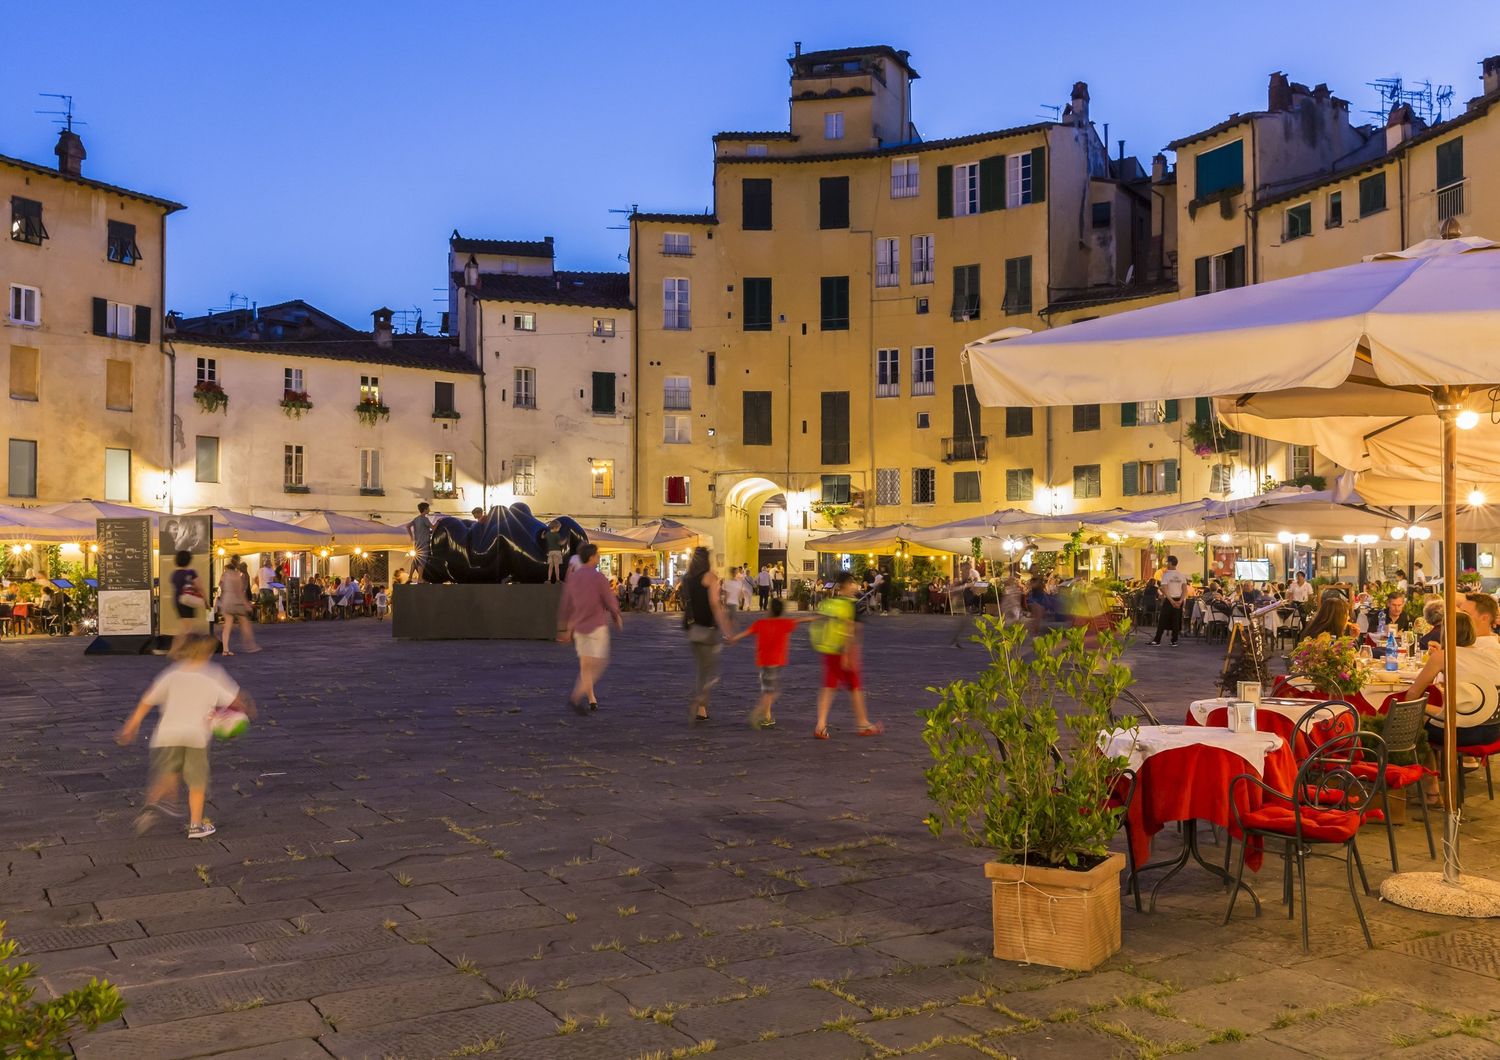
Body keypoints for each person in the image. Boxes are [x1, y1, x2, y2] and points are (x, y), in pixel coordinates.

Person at [117, 634, 252, 839]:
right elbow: (235, 700)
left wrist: (131, 725)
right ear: (207, 653)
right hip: (196, 737)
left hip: (167, 735)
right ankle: (195, 826)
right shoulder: (213, 674)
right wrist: (245, 711)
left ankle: (153, 804)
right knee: (197, 782)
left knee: (168, 773)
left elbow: (147, 700)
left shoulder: (172, 673)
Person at [1403, 611, 1500, 806]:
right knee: (1431, 713)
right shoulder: (1490, 655)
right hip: (1493, 729)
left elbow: (1413, 694)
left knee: (1416, 719)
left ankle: (1431, 790)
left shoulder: (1443, 656)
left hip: (1462, 731)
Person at [812, 571, 881, 740]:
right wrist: (848, 654)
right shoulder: (853, 604)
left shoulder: (830, 603)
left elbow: (820, 621)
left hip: (829, 649)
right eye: (852, 583)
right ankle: (863, 723)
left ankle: (820, 725)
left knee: (829, 687)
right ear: (847, 585)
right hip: (845, 650)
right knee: (855, 687)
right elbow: (852, 629)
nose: (854, 586)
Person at [556, 543, 622, 714]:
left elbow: (566, 603)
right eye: (598, 555)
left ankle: (591, 698)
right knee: (599, 663)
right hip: (596, 626)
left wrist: (564, 628)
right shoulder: (598, 577)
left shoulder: (574, 577)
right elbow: (609, 600)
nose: (599, 557)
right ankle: (576, 696)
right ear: (592, 557)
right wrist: (616, 616)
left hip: (579, 627)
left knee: (585, 665)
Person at [730, 597, 808, 729]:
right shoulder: (785, 623)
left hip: (765, 661)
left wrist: (733, 638)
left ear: (770, 610)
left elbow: (746, 633)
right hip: (777, 662)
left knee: (769, 690)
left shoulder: (761, 623)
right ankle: (760, 713)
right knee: (771, 691)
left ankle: (765, 715)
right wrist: (815, 618)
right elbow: (799, 620)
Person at [683, 546, 731, 722]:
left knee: (701, 670)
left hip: (692, 629)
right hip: (707, 630)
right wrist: (726, 629)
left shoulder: (687, 579)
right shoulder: (710, 577)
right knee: (712, 672)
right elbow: (715, 605)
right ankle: (700, 699)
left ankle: (702, 710)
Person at [218, 558, 258, 656]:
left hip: (226, 601)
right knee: (244, 623)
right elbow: (239, 592)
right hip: (235, 602)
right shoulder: (236, 575)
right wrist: (246, 604)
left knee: (227, 625)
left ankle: (225, 649)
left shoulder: (224, 575)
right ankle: (250, 645)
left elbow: (220, 584)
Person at [1150, 556, 1187, 646]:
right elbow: (1185, 590)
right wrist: (1180, 601)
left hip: (1169, 600)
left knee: (1162, 620)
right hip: (1178, 599)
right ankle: (1174, 641)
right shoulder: (1181, 575)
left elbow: (1165, 589)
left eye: (1167, 562)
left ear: (1170, 563)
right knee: (1176, 621)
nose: (1166, 564)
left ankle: (1157, 640)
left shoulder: (1166, 575)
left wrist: (1171, 601)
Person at [407, 502, 432, 582]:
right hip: (424, 543)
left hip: (417, 543)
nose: (429, 509)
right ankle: (420, 579)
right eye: (428, 508)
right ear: (425, 509)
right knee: (422, 561)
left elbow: (408, 526)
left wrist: (412, 537)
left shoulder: (416, 519)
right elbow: (433, 527)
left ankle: (410, 577)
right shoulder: (425, 519)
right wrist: (439, 522)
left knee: (415, 560)